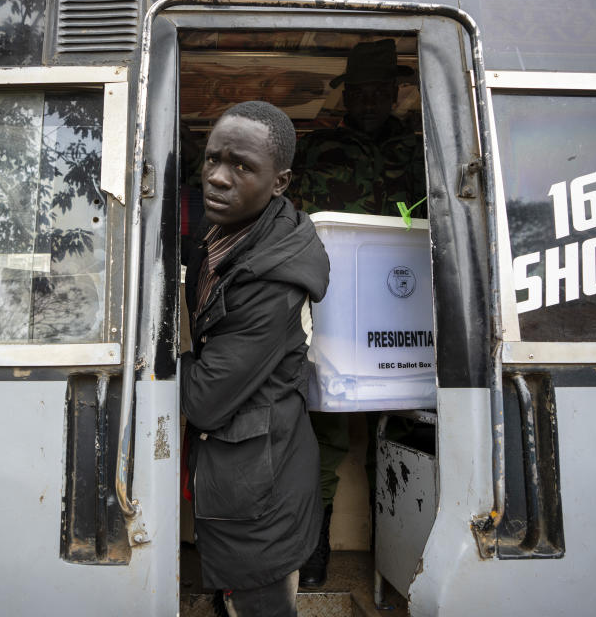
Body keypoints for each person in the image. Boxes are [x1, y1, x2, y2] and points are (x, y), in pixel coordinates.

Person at [180, 100, 330, 617]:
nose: (218, 178)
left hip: (259, 491)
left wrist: (159, 355)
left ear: (281, 182)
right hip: (245, 472)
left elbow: (204, 400)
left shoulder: (272, 279)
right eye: (212, 159)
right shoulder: (232, 232)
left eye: (242, 167)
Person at [287, 38, 426, 588]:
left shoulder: (418, 149)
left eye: (379, 91)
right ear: (348, 95)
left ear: (395, 93)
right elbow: (294, 222)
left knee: (402, 432)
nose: (369, 100)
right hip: (335, 310)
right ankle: (317, 548)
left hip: (405, 312)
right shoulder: (319, 147)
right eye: (360, 91)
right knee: (327, 431)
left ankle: (395, 548)